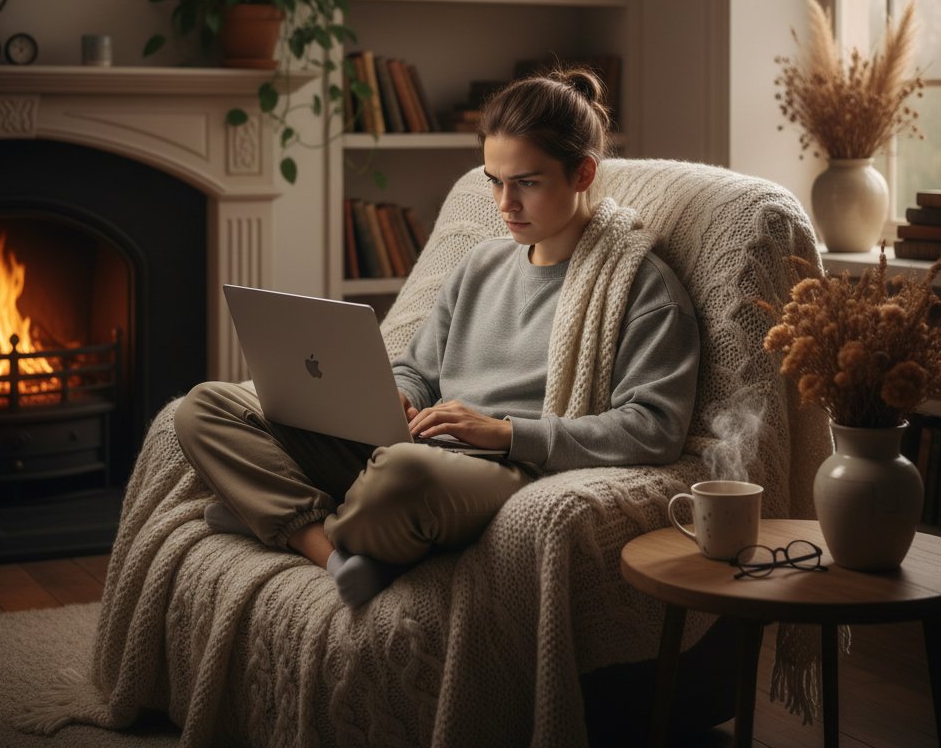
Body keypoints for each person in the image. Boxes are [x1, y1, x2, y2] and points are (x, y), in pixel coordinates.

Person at [174, 67, 700, 608]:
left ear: (583, 173)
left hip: (496, 468)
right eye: (494, 180)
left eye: (527, 182)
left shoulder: (641, 286)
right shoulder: (481, 264)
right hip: (415, 446)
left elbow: (654, 429)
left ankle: (271, 513)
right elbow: (418, 370)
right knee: (205, 407)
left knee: (401, 476)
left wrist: (506, 433)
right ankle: (325, 545)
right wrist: (397, 396)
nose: (504, 203)